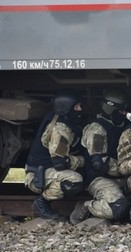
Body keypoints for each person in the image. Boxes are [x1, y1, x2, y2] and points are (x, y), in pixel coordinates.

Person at [69, 89, 131, 225]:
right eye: (121, 111)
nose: (124, 114)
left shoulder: (126, 126)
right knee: (118, 208)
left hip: (124, 177)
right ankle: (87, 206)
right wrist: (127, 167)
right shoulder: (97, 129)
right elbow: (100, 163)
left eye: (125, 111)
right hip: (100, 178)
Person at [25, 89, 85, 219]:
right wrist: (82, 161)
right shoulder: (60, 129)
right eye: (76, 106)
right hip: (38, 175)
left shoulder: (64, 121)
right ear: (65, 108)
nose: (80, 109)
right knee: (75, 180)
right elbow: (59, 163)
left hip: (45, 170)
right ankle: (42, 203)